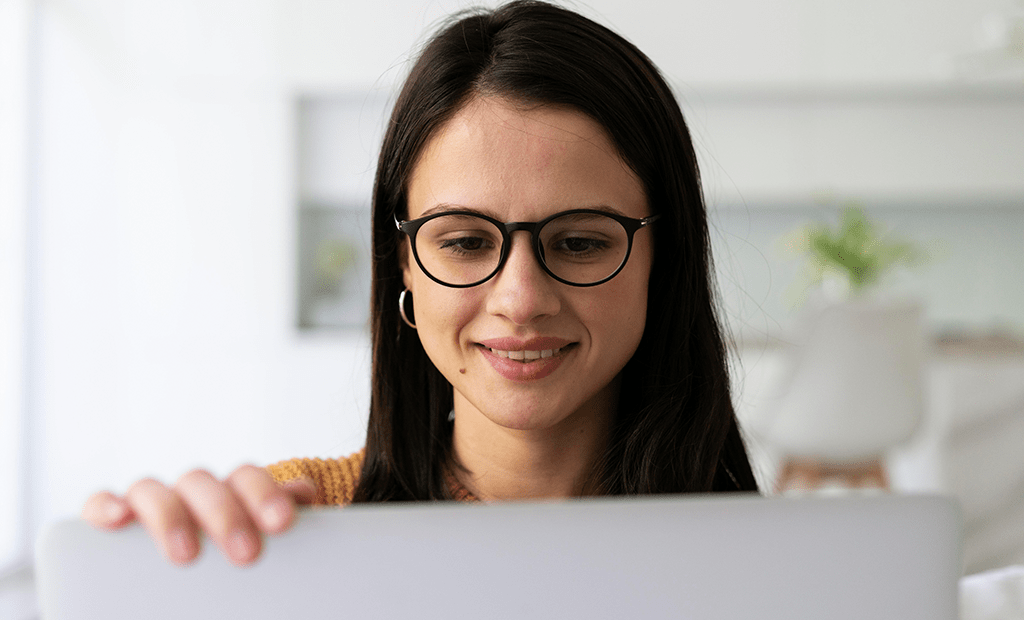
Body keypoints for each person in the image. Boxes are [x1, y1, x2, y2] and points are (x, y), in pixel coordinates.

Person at [82, 0, 759, 568]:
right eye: (464, 242)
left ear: (661, 261)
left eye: (580, 242)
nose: (520, 298)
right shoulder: (290, 530)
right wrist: (165, 585)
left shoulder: (773, 564)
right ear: (403, 261)